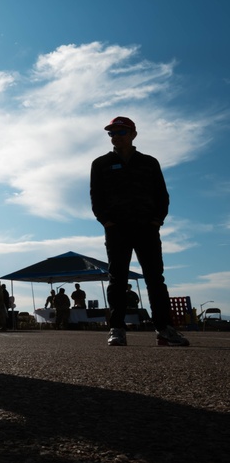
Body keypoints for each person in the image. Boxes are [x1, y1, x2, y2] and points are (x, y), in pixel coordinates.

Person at [90, 116, 189, 347]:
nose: (116, 136)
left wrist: (156, 220)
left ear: (133, 134)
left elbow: (162, 195)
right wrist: (106, 221)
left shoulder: (149, 162)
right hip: (117, 229)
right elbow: (96, 197)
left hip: (146, 228)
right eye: (112, 133)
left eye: (121, 132)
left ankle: (164, 329)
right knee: (117, 278)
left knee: (155, 279)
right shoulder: (101, 164)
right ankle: (117, 329)